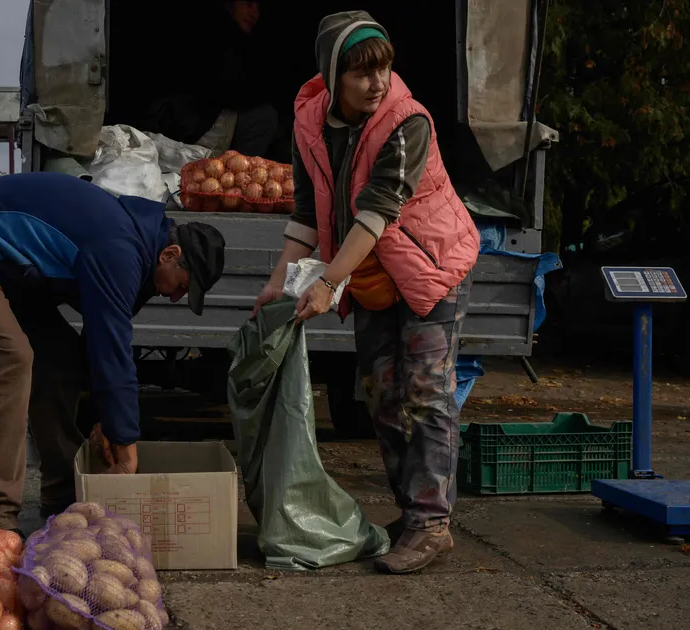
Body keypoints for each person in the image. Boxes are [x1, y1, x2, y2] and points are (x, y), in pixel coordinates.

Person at [251, 11, 480, 574]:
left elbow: (377, 212)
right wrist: (279, 280)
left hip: (431, 264)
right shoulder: (310, 123)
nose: (378, 83)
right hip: (375, 274)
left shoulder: (408, 121)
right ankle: (412, 511)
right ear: (333, 77)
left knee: (425, 391)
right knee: (379, 394)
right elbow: (308, 212)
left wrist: (329, 281)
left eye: (383, 69)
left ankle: (432, 523)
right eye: (361, 74)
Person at [0, 172, 226, 534]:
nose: (174, 297)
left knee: (60, 361)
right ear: (170, 254)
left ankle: (62, 498)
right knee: (8, 360)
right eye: (182, 286)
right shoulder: (119, 249)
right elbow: (113, 353)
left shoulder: (136, 253)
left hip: (10, 269)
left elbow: (98, 346)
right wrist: (126, 450)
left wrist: (107, 422)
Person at [144, 0, 280, 157]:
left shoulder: (240, 37)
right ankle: (239, 169)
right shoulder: (215, 31)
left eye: (258, 8)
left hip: (196, 116)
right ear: (229, 3)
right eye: (248, 4)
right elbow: (231, 91)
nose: (254, 14)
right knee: (264, 117)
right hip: (179, 121)